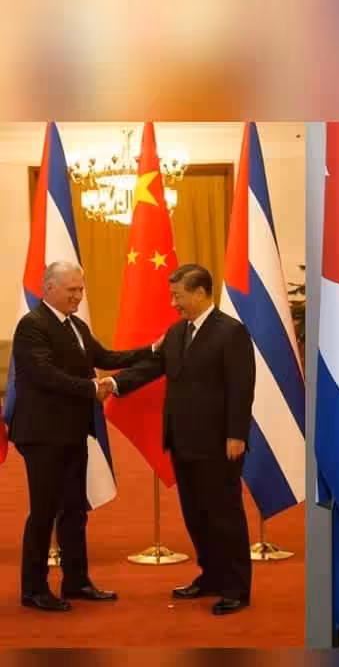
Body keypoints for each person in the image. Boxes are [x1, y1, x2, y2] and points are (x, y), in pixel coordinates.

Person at [9, 262, 155, 611]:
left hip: (73, 432)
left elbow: (105, 357)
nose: (78, 295)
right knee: (44, 512)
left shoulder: (76, 325)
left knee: (74, 510)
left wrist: (152, 351)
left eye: (80, 289)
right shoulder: (32, 326)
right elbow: (44, 374)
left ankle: (76, 582)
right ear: (48, 289)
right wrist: (92, 388)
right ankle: (34, 589)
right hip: (42, 435)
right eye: (72, 289)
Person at [112, 264, 256, 615]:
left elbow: (242, 387)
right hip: (181, 440)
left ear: (201, 292)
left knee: (224, 515)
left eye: (178, 295)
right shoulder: (177, 332)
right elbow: (151, 368)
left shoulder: (231, 332)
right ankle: (210, 576)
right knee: (195, 513)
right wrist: (114, 385)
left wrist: (236, 433)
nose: (173, 302)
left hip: (219, 442)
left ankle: (236, 588)